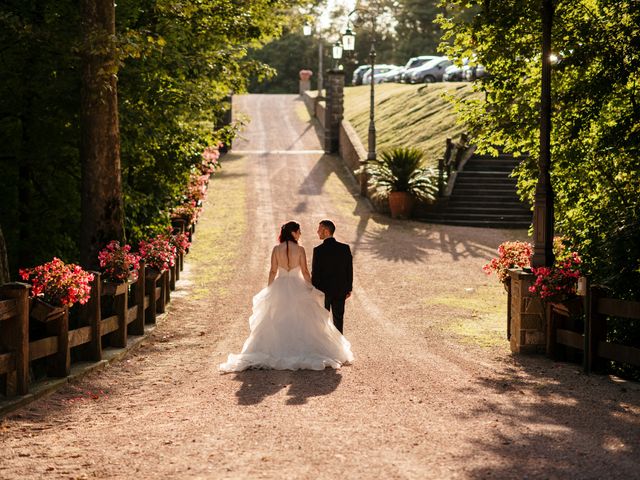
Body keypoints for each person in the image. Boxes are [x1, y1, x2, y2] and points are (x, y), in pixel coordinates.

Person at [219, 221, 353, 373]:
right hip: (298, 285)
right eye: (299, 231)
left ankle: (278, 349)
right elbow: (305, 272)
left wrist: (270, 290)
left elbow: (272, 271)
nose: (300, 234)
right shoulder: (300, 249)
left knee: (277, 318)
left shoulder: (276, 249)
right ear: (293, 233)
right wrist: (310, 288)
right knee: (303, 319)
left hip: (280, 285)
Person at [311, 220, 353, 334]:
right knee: (338, 320)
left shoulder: (318, 250)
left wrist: (314, 290)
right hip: (340, 290)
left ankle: (323, 346)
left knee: (322, 320)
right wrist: (349, 288)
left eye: (319, 229)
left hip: (323, 291)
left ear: (326, 231)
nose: (317, 231)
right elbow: (349, 270)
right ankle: (339, 347)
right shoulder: (344, 248)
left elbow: (315, 274)